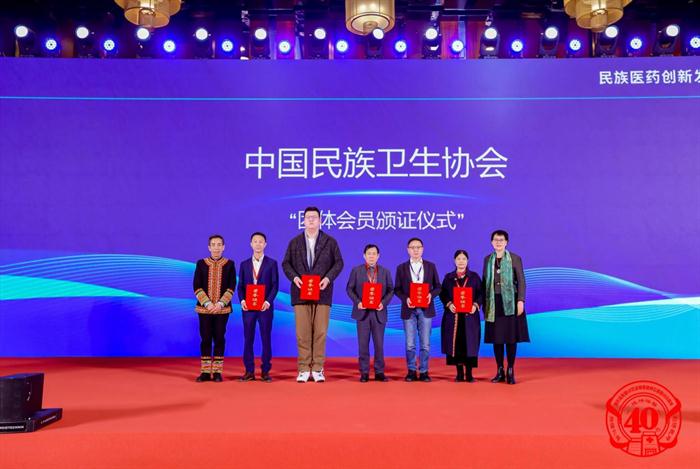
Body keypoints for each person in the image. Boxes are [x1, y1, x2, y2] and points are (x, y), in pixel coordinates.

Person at [282, 207, 344, 383]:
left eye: (314, 217)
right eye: (308, 217)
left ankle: (317, 368)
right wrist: (295, 278)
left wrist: (328, 279)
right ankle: (303, 368)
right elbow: (286, 264)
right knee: (302, 332)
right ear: (303, 220)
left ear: (320, 220)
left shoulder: (330, 242)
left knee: (320, 332)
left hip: (322, 293)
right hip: (300, 292)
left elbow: (339, 263)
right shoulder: (294, 242)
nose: (311, 220)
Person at [482, 230, 530, 385]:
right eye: (496, 240)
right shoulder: (487, 259)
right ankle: (499, 370)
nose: (498, 242)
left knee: (510, 337)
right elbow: (485, 282)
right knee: (496, 338)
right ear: (491, 242)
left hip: (510, 302)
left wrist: (521, 300)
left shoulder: (515, 258)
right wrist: (483, 303)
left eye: (501, 240)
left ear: (506, 242)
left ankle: (510, 369)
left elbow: (521, 281)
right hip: (493, 302)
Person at [394, 237, 441, 382]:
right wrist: (405, 299)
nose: (415, 250)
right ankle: (411, 371)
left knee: (425, 343)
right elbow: (397, 289)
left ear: (422, 249)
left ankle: (424, 371)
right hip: (409, 309)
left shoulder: (430, 266)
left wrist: (430, 295)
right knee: (410, 343)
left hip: (426, 309)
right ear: (408, 250)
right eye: (412, 247)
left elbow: (438, 287)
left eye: (418, 247)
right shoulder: (401, 268)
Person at [346, 244, 394, 382]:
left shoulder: (385, 272)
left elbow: (391, 290)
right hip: (363, 313)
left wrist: (383, 303)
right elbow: (349, 289)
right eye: (369, 253)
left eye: (374, 253)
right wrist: (358, 302)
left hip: (379, 312)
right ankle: (364, 372)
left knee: (379, 344)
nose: (371, 256)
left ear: (378, 256)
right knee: (363, 344)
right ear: (364, 256)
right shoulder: (356, 271)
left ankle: (379, 372)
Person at [192, 234, 237, 382]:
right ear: (209, 247)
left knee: (219, 338)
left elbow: (231, 287)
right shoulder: (201, 264)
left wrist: (220, 304)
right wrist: (208, 303)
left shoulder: (230, 264)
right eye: (213, 245)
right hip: (204, 309)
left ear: (223, 247)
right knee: (205, 338)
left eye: (219, 245)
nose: (216, 248)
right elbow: (197, 286)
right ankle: (205, 372)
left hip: (222, 310)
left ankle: (217, 372)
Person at [237, 232, 279, 382]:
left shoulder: (272, 263)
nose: (258, 244)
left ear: (265, 244)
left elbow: (275, 285)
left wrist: (268, 302)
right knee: (248, 339)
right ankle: (249, 371)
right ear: (251, 244)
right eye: (255, 241)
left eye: (261, 241)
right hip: (248, 308)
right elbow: (240, 286)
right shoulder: (244, 264)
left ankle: (265, 371)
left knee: (266, 338)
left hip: (264, 308)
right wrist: (242, 301)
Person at [439, 250, 482, 382]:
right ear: (455, 261)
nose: (461, 261)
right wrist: (449, 304)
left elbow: (481, 294)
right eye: (458, 259)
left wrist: (475, 305)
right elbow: (442, 294)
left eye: (464, 259)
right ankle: (459, 373)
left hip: (470, 317)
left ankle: (469, 373)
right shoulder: (449, 278)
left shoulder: (474, 277)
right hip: (454, 317)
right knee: (456, 344)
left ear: (467, 261)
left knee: (470, 343)